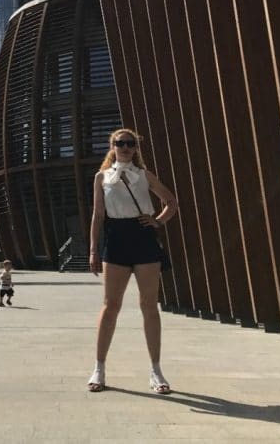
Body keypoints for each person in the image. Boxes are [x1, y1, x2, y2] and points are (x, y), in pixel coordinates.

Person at [87, 128, 177, 394]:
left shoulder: (144, 175)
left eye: (130, 143)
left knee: (149, 305)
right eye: (120, 143)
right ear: (112, 146)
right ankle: (99, 368)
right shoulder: (101, 177)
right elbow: (98, 216)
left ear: (136, 148)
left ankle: (156, 371)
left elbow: (171, 202)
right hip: (116, 239)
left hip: (143, 238)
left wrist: (158, 221)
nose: (125, 147)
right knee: (110, 305)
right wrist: (93, 249)